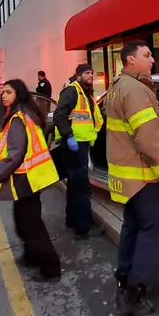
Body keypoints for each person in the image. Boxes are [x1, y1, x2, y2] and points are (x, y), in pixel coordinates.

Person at [105, 41, 159, 316]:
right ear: (129, 59)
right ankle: (138, 294)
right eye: (147, 55)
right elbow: (149, 139)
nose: (152, 60)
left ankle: (124, 279)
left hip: (129, 177)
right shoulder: (135, 91)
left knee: (133, 227)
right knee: (153, 232)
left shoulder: (119, 87)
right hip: (144, 177)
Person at [0, 79, 62, 283]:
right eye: (2, 92)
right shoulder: (26, 113)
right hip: (31, 177)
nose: (3, 95)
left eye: (8, 92)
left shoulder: (19, 118)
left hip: (27, 178)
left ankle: (50, 268)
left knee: (31, 225)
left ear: (18, 93)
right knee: (23, 220)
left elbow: (15, 156)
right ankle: (31, 256)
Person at [53, 63, 105, 240]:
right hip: (74, 145)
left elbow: (92, 116)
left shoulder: (86, 92)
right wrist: (68, 136)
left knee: (75, 186)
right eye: (87, 73)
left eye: (92, 72)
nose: (91, 75)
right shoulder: (72, 91)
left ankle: (72, 220)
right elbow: (59, 115)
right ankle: (83, 228)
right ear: (78, 75)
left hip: (81, 143)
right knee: (82, 187)